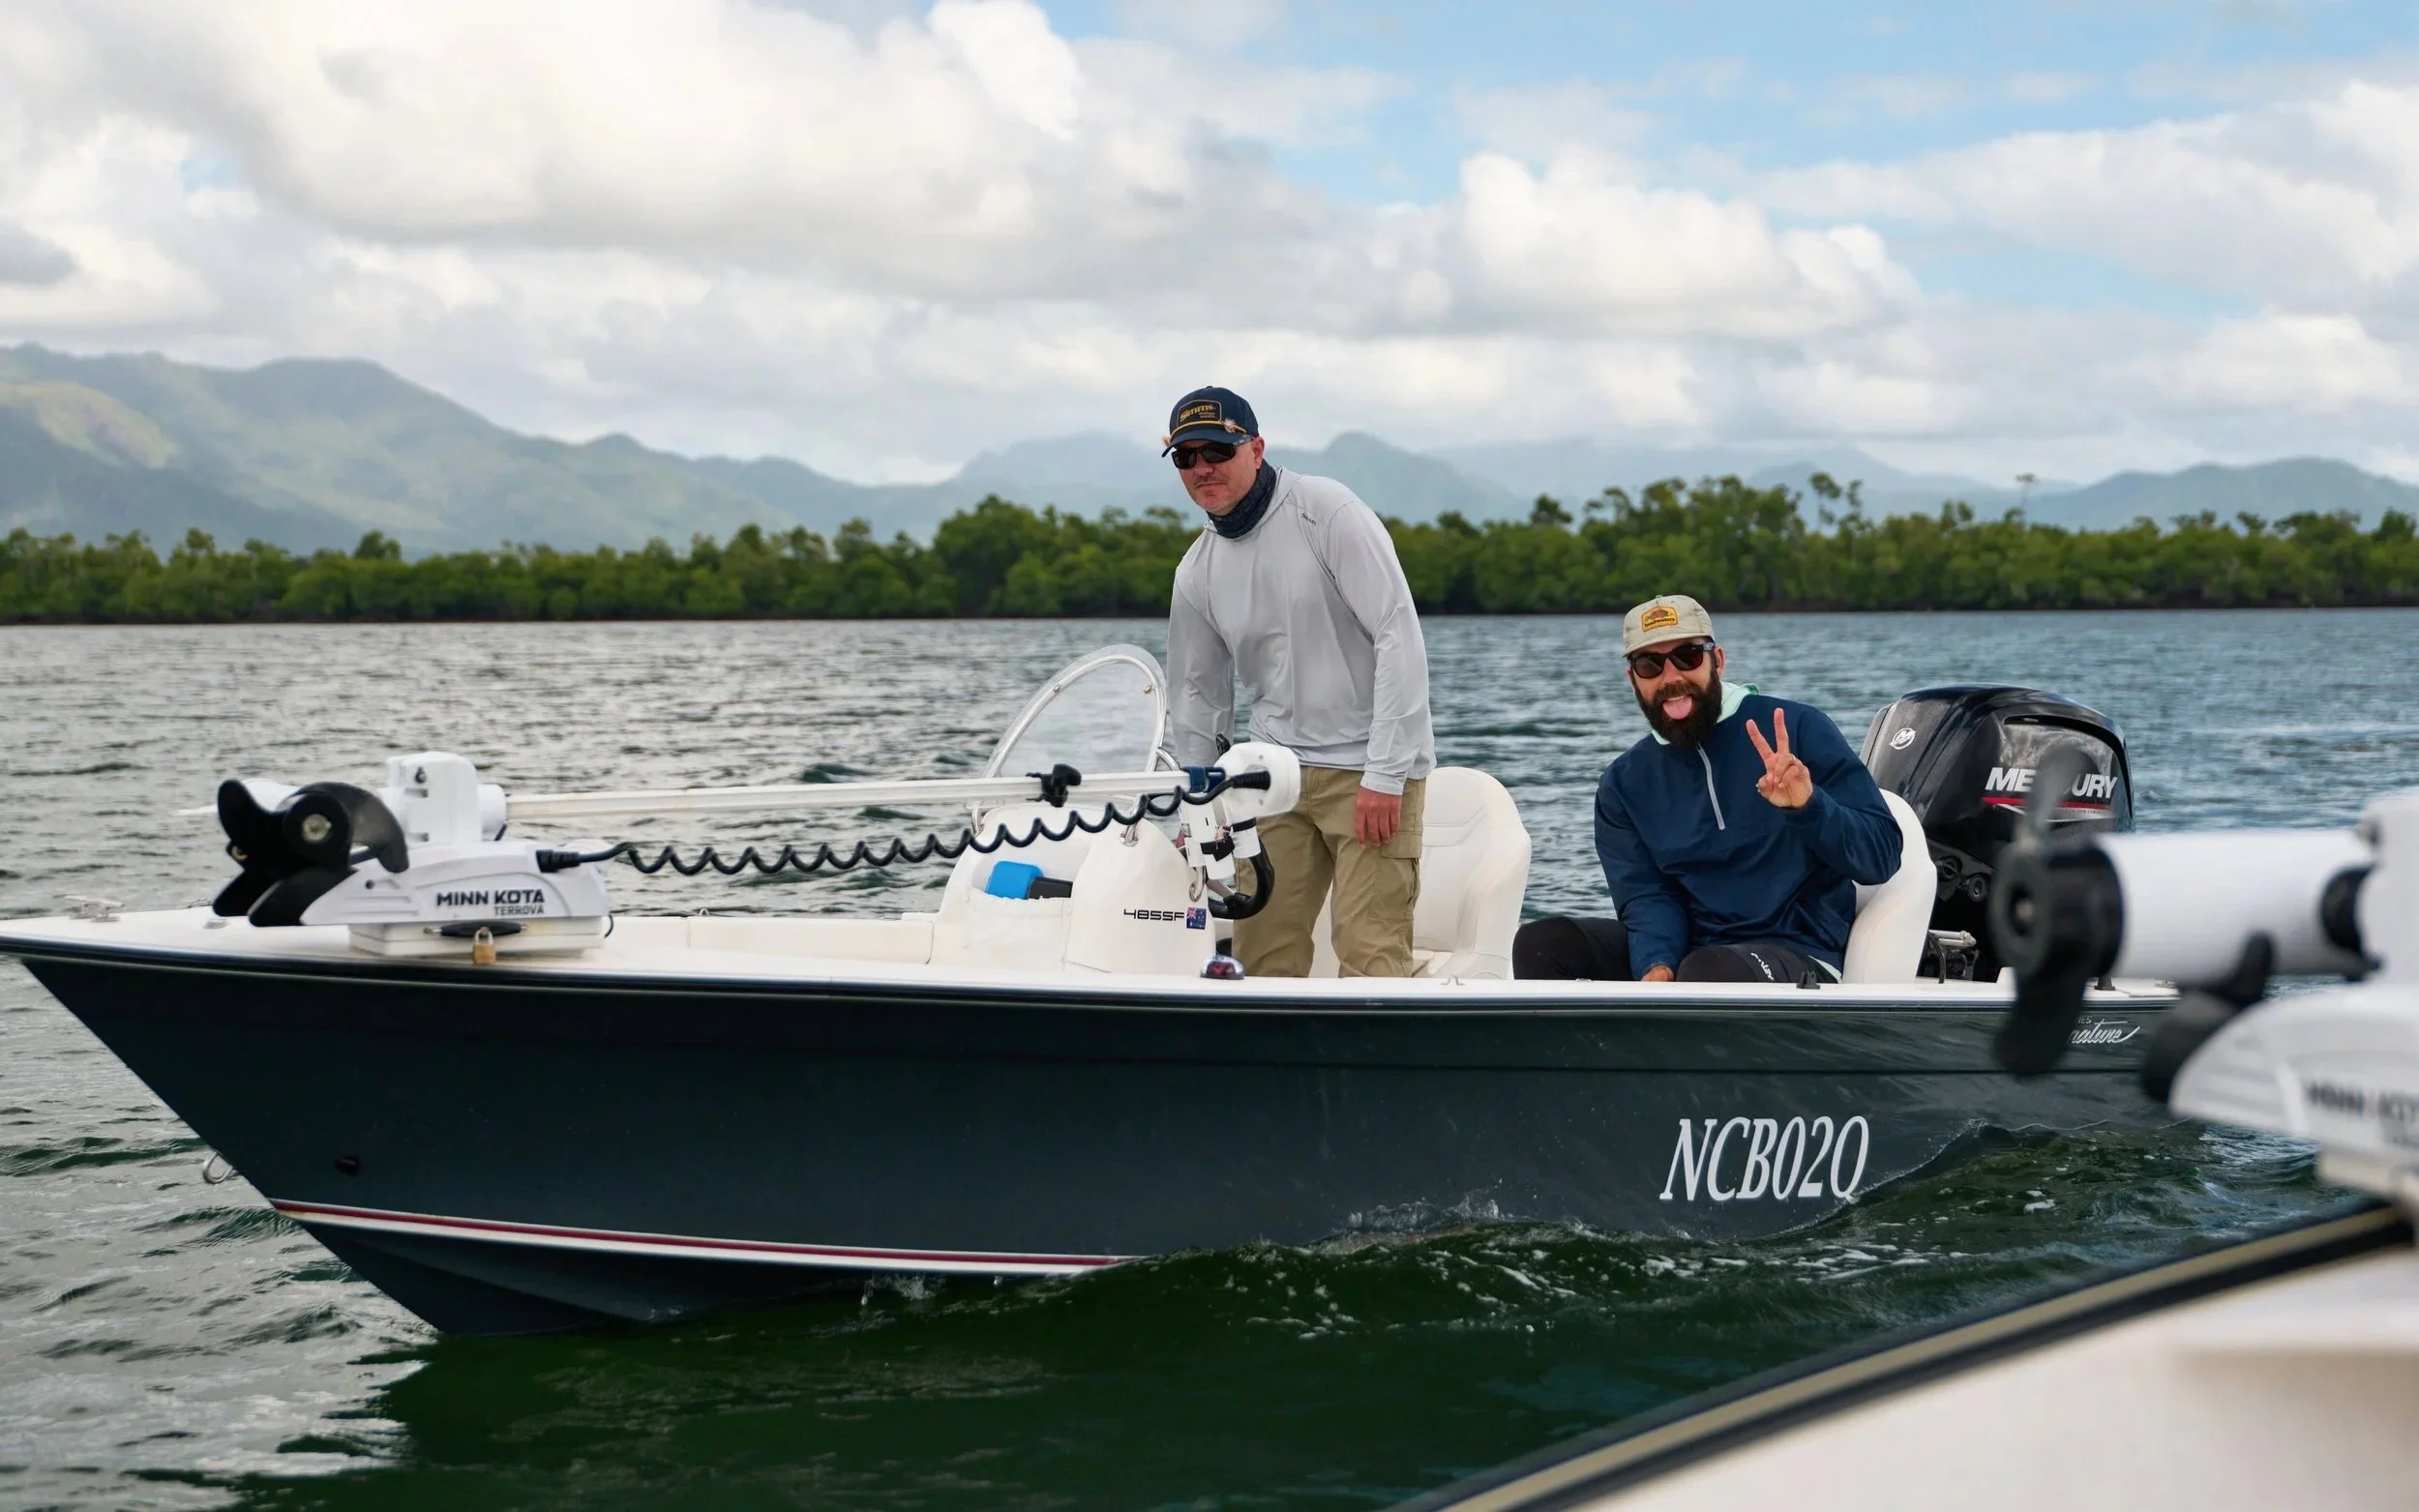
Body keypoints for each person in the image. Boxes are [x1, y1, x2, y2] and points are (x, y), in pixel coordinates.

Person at [1161, 385, 1435, 977]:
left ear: (1256, 448)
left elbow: (1399, 636)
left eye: (1217, 450)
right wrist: (1198, 810)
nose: (1203, 467)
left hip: (1370, 769)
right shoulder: (1195, 571)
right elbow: (1196, 695)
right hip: (1272, 776)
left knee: (1370, 956)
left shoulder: (1327, 511)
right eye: (1186, 457)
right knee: (1260, 957)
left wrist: (1386, 775)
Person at [1515, 594, 1902, 984]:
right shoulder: (1623, 783)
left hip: (1798, 950)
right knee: (1543, 942)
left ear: (1717, 660)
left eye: (1687, 656)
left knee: (1708, 969)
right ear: (1633, 678)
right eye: (1650, 664)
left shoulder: (1799, 728)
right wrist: (1656, 966)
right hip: (1692, 955)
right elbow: (1648, 897)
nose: (1671, 678)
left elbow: (1880, 859)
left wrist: (1809, 805)